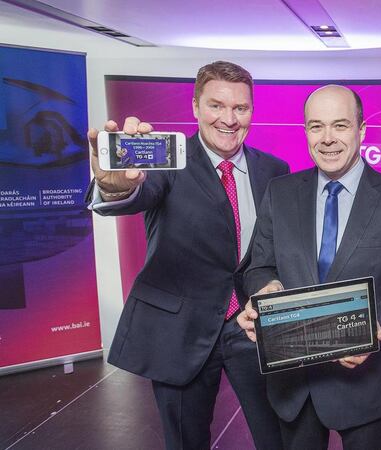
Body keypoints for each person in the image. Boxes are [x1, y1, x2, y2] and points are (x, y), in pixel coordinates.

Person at [86, 61, 287, 449]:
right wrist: (113, 186)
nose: (229, 119)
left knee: (277, 437)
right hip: (180, 330)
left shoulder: (275, 170)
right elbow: (134, 193)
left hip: (253, 326)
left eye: (240, 108)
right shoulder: (164, 161)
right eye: (216, 105)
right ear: (195, 107)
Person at [237, 84, 381, 449]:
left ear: (361, 130)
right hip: (294, 385)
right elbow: (257, 267)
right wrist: (266, 289)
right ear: (306, 131)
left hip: (363, 385)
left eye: (340, 125)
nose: (327, 138)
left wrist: (377, 327)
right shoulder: (279, 193)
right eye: (317, 126)